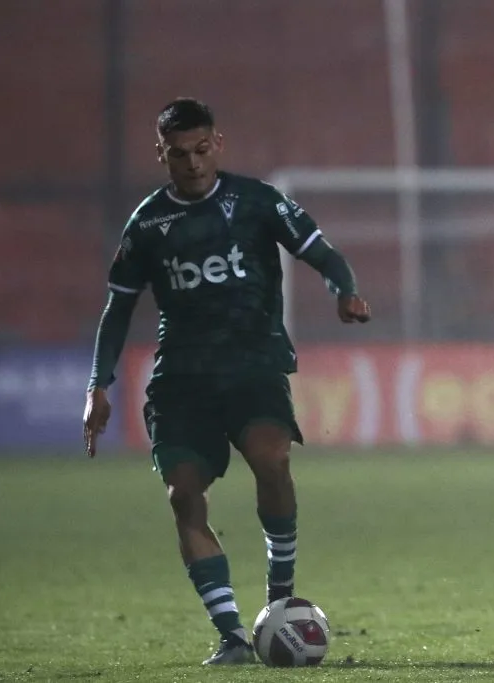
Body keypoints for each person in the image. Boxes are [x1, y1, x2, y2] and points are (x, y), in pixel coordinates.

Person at [82, 98, 371, 665]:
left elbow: (322, 252)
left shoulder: (258, 201)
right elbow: (117, 310)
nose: (192, 163)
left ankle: (280, 600)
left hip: (253, 364)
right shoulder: (147, 224)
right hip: (182, 380)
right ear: (160, 154)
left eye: (200, 149)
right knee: (183, 496)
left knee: (273, 459)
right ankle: (232, 637)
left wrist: (344, 291)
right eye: (178, 154)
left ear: (218, 143)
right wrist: (98, 384)